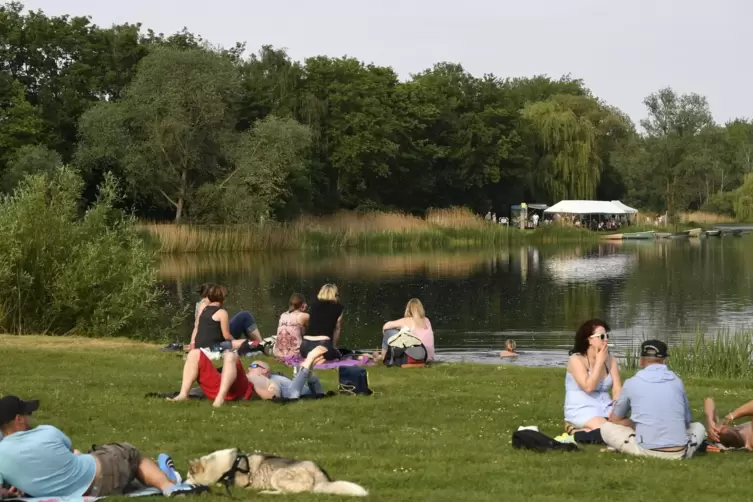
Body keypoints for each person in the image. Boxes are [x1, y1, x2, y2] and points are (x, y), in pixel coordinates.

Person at [0, 396, 195, 497]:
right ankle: (169, 485)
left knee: (113, 466)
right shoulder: (46, 432)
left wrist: (11, 490)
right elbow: (67, 452)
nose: (30, 417)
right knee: (129, 453)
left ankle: (163, 473)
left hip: (80, 491)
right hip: (99, 477)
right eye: (26, 414)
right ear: (18, 419)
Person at [600, 340, 706, 459]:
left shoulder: (632, 383)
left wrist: (629, 422)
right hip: (681, 452)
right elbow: (686, 422)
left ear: (641, 360)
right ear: (665, 360)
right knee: (699, 427)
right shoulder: (677, 382)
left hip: (647, 450)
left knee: (606, 428)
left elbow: (614, 418)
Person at [564, 319, 622, 432]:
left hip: (606, 407)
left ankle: (584, 431)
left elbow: (617, 389)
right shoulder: (576, 359)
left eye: (607, 335)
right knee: (608, 430)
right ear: (589, 340)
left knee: (629, 425)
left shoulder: (611, 360)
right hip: (582, 408)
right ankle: (575, 430)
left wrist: (616, 409)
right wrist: (599, 362)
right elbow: (588, 387)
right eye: (601, 336)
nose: (605, 340)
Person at [246, 346, 329, 400]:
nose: (249, 368)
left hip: (305, 391)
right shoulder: (268, 381)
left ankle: (308, 369)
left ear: (264, 370)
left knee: (316, 389)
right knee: (294, 391)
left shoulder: (273, 377)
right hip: (293, 392)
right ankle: (308, 366)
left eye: (253, 366)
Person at [194, 283, 262, 344]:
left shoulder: (204, 305)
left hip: (214, 336)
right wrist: (236, 342)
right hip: (218, 338)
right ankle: (260, 343)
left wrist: (193, 343)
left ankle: (258, 343)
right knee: (245, 316)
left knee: (244, 316)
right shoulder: (204, 305)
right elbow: (197, 326)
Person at [189, 285, 248, 353]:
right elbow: (226, 336)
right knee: (245, 342)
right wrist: (235, 341)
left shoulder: (204, 310)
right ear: (222, 299)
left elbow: (197, 327)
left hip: (199, 347)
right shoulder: (222, 313)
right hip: (213, 348)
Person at [301, 284, 344, 361]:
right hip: (323, 345)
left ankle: (316, 359)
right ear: (335, 295)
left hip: (304, 347)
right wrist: (334, 347)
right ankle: (320, 359)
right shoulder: (339, 308)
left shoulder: (313, 306)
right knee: (338, 356)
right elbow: (337, 329)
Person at [274, 293, 309, 360]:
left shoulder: (283, 315)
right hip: (295, 354)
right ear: (303, 305)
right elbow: (312, 333)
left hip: (278, 353)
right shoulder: (304, 316)